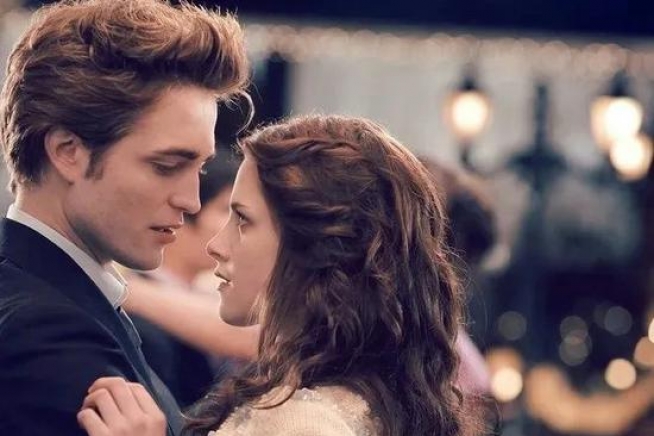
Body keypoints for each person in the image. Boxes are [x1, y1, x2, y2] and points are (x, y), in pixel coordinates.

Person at [79, 115, 479, 436]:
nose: (217, 244)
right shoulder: (360, 398)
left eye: (243, 220)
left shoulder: (301, 423)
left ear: (313, 246)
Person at [0, 0, 250, 435]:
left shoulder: (62, 298)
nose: (191, 201)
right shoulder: (48, 333)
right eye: (167, 166)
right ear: (67, 152)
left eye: (199, 168)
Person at [126, 150, 257, 407]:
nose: (238, 227)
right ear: (184, 214)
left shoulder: (209, 299)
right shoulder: (141, 324)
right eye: (226, 210)